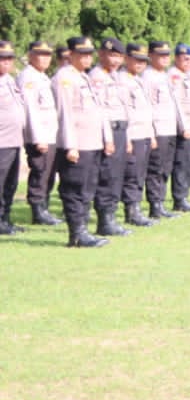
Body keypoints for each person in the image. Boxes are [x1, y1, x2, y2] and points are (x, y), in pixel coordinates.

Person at [53, 36, 113, 247]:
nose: (87, 58)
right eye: (82, 54)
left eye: (89, 54)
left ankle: (83, 231)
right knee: (74, 189)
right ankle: (77, 234)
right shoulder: (65, 78)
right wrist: (70, 144)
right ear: (71, 55)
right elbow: (65, 114)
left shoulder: (83, 77)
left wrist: (106, 138)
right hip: (77, 144)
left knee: (87, 188)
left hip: (91, 142)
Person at [89, 38, 132, 237]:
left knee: (117, 175)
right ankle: (105, 220)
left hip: (121, 129)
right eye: (111, 55)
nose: (115, 60)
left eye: (118, 56)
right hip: (109, 131)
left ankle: (111, 218)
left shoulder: (116, 76)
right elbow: (101, 110)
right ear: (101, 54)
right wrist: (108, 138)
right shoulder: (97, 76)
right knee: (108, 176)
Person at [19, 40, 61, 225]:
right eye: (40, 54)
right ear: (30, 55)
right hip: (40, 136)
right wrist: (38, 138)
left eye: (47, 55)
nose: (44, 58)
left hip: (50, 134)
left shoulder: (42, 77)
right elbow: (30, 110)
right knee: (40, 172)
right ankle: (38, 211)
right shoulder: (28, 77)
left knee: (48, 173)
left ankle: (43, 208)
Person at [118, 44, 156, 226]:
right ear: (127, 59)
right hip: (132, 134)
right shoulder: (122, 80)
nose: (140, 64)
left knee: (140, 173)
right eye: (137, 60)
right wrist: (126, 138)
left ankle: (137, 209)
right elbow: (124, 112)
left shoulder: (137, 80)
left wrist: (151, 135)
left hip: (143, 134)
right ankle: (131, 211)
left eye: (143, 61)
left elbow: (146, 111)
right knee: (132, 174)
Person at [141, 42, 179, 219]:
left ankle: (161, 202)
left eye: (167, 55)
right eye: (160, 55)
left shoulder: (164, 76)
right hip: (158, 129)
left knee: (165, 168)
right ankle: (155, 204)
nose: (165, 58)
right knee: (155, 169)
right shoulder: (148, 77)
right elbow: (147, 106)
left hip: (169, 128)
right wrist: (152, 132)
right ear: (151, 56)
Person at [169, 44, 190, 212]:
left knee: (189, 163)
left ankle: (183, 197)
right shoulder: (174, 76)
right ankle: (180, 199)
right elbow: (177, 104)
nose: (188, 62)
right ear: (176, 58)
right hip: (185, 128)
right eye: (185, 59)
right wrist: (184, 126)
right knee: (182, 165)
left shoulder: (188, 76)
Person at [0, 41, 24, 235]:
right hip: (1, 142)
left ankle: (5, 219)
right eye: (2, 58)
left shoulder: (9, 80)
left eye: (9, 58)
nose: (6, 62)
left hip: (13, 141)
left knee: (11, 183)